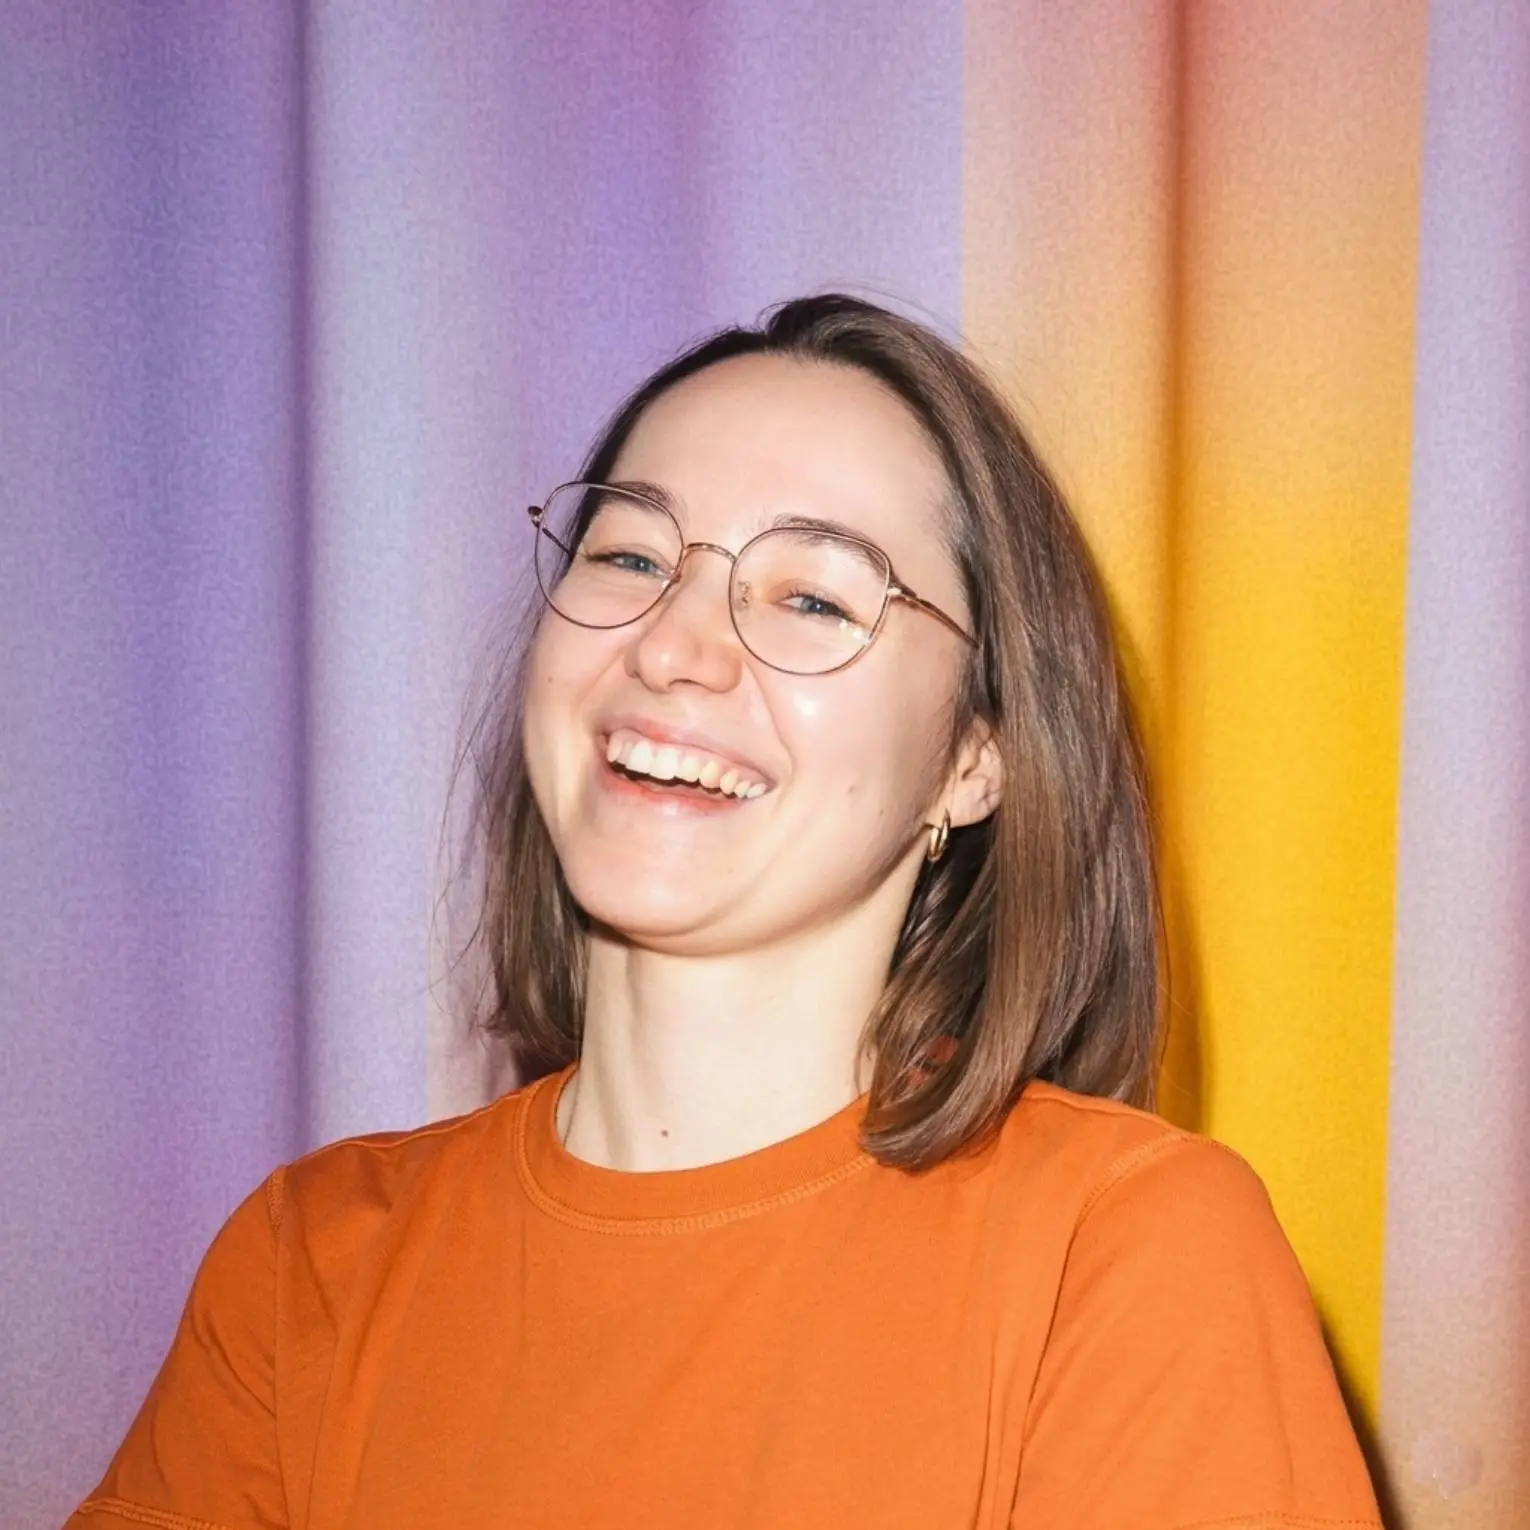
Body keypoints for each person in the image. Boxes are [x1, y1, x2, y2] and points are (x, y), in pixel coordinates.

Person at [68, 295, 1381, 1530]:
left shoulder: (1123, 1255)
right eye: (631, 554)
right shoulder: (307, 1263)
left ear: (975, 759)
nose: (670, 644)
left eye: (812, 595)